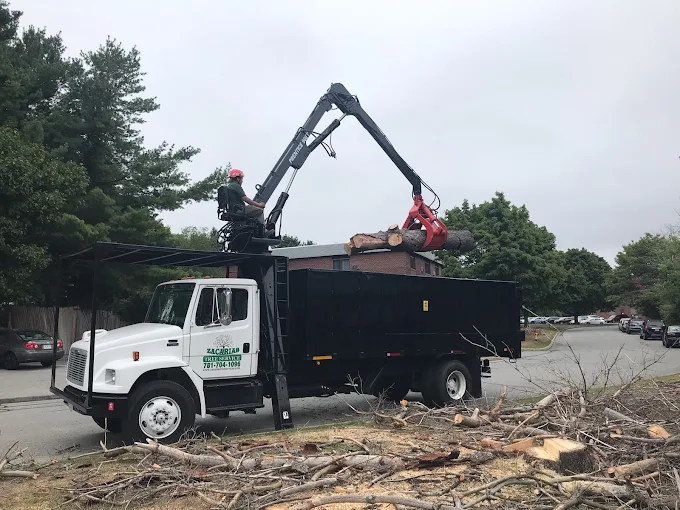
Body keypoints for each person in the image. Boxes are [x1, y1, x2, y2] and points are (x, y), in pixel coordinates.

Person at [225, 168, 275, 237]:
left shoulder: (229, 186)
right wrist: (259, 204)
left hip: (234, 210)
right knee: (259, 211)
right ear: (237, 178)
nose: (242, 181)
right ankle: (262, 232)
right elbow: (245, 198)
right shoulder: (236, 186)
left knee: (253, 210)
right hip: (239, 210)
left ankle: (253, 228)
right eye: (241, 178)